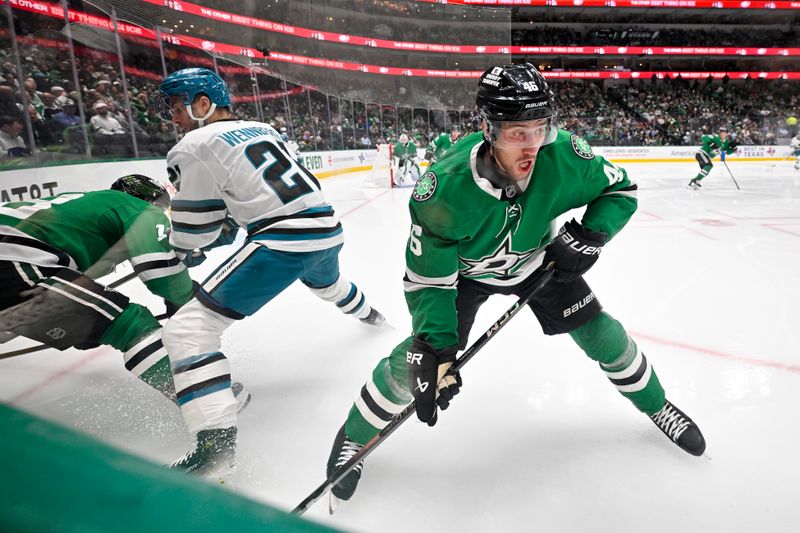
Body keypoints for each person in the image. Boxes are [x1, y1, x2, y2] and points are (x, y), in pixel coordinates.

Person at [323, 63, 707, 511]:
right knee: (416, 360)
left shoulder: (564, 156)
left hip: (540, 263)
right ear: (487, 129)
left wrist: (591, 233)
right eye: (516, 133)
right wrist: (438, 348)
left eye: (540, 130)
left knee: (602, 333)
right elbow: (429, 281)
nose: (531, 146)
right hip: (466, 278)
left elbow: (622, 190)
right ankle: (354, 437)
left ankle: (656, 404)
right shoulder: (444, 191)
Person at [157, 68, 386, 476]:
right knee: (331, 287)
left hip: (283, 240)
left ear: (202, 104)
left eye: (177, 108)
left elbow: (198, 229)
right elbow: (250, 195)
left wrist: (179, 250)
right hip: (326, 229)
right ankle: (374, 318)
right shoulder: (262, 128)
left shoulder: (193, 144)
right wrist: (226, 226)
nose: (173, 118)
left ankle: (216, 454)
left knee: (186, 331)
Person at [0, 175, 198, 403]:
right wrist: (188, 301)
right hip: (12, 255)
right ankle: (202, 397)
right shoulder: (134, 206)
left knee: (93, 315)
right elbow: (162, 273)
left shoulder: (83, 205)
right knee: (130, 325)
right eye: (161, 207)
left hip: (14, 254)